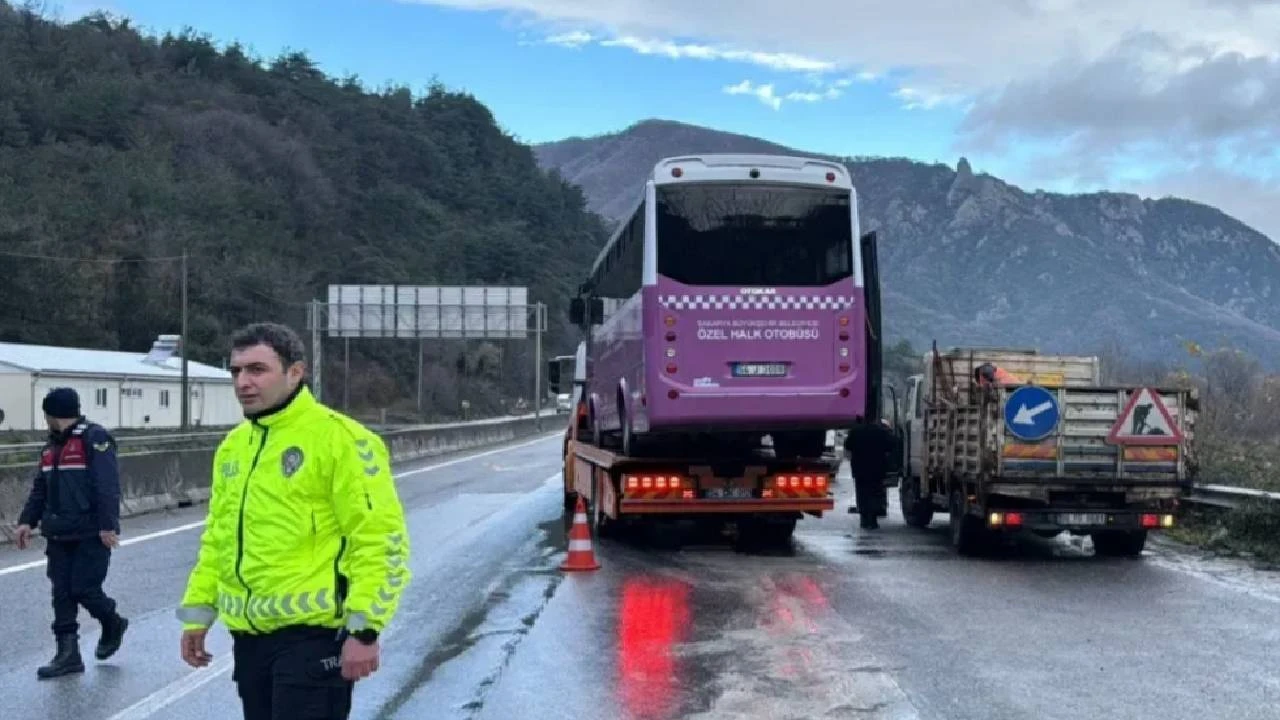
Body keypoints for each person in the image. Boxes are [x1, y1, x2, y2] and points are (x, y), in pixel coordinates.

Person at [176, 322, 411, 720]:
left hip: (314, 639)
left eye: (257, 369)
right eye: (236, 371)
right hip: (250, 641)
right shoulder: (234, 447)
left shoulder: (342, 439)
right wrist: (198, 614)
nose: (243, 382)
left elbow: (378, 540)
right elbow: (218, 539)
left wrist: (365, 630)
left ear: (295, 372)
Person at [15, 387, 129, 679]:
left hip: (90, 531)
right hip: (58, 532)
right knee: (62, 594)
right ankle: (68, 655)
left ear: (52, 414)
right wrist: (27, 521)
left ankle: (112, 621)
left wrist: (108, 525)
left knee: (84, 589)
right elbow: (40, 488)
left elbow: (106, 484)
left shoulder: (95, 438)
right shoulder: (50, 447)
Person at [844, 416, 895, 530]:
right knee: (875, 493)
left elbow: (848, 445)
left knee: (862, 493)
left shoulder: (856, 431)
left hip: (860, 468)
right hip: (877, 468)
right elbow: (891, 445)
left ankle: (864, 519)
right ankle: (873, 520)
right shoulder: (881, 431)